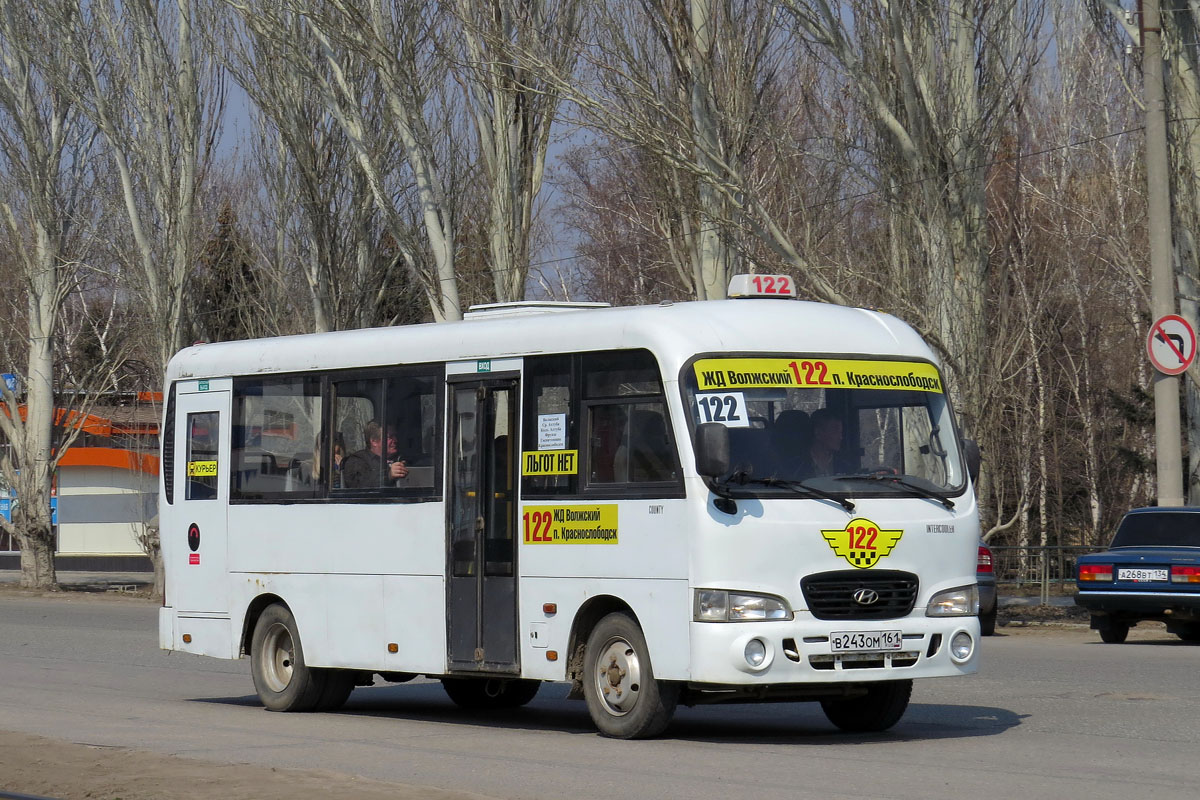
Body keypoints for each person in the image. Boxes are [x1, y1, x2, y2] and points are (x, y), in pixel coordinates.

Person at [342, 420, 408, 488]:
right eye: (390, 437)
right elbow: (360, 485)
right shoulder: (357, 461)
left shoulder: (401, 458)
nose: (395, 440)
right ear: (374, 441)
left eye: (395, 436)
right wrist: (387, 476)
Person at [806, 408, 853, 476]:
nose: (840, 437)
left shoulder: (845, 466)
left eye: (841, 432)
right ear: (818, 433)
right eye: (835, 431)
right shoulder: (797, 467)